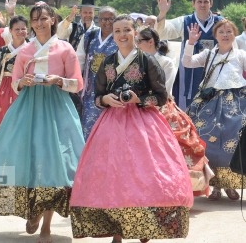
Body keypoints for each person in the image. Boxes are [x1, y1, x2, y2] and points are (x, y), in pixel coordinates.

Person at [70, 14, 193, 242]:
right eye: (117, 31)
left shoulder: (148, 61)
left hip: (144, 124)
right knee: (113, 176)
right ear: (113, 34)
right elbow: (97, 95)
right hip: (112, 124)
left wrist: (139, 99)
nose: (122, 35)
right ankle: (117, 231)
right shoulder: (107, 62)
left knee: (146, 175)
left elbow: (161, 96)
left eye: (126, 30)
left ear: (135, 32)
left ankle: (144, 228)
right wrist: (106, 100)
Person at [0, 2, 85, 243]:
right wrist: (23, 83)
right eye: (35, 19)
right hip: (28, 108)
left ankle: (46, 226)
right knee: (26, 158)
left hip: (56, 108)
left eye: (43, 18)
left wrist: (58, 80)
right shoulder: (25, 50)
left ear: (52, 20)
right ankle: (34, 211)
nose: (39, 23)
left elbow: (77, 84)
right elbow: (15, 84)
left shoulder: (65, 48)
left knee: (53, 163)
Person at [137, 27, 212, 196]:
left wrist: (143, 100)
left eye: (139, 41)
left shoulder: (166, 62)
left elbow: (165, 90)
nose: (137, 45)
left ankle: (173, 189)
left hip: (161, 107)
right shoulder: (137, 61)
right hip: (138, 106)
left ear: (150, 42)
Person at [183, 20, 245, 201]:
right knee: (204, 140)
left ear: (234, 35)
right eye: (221, 32)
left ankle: (230, 184)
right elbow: (187, 62)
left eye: (229, 31)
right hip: (208, 102)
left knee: (233, 142)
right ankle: (213, 184)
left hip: (236, 103)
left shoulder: (241, 54)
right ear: (215, 36)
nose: (225, 34)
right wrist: (191, 43)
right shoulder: (208, 54)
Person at [156, 0, 224, 109]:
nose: (202, 5)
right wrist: (162, 13)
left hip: (215, 71)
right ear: (193, 3)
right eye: (199, 2)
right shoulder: (185, 21)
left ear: (211, 3)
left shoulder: (220, 22)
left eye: (205, 2)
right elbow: (163, 33)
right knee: (188, 106)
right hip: (189, 73)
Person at [76, 6, 118, 140]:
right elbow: (79, 59)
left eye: (111, 19)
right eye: (104, 19)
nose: (107, 22)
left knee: (110, 130)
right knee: (88, 129)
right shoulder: (90, 35)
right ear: (98, 20)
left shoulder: (121, 37)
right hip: (90, 91)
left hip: (112, 91)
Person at [0, 15, 29, 130]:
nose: (20, 32)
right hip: (3, 90)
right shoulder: (3, 50)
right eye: (17, 29)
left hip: (23, 90)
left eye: (23, 29)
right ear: (10, 31)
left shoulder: (31, 50)